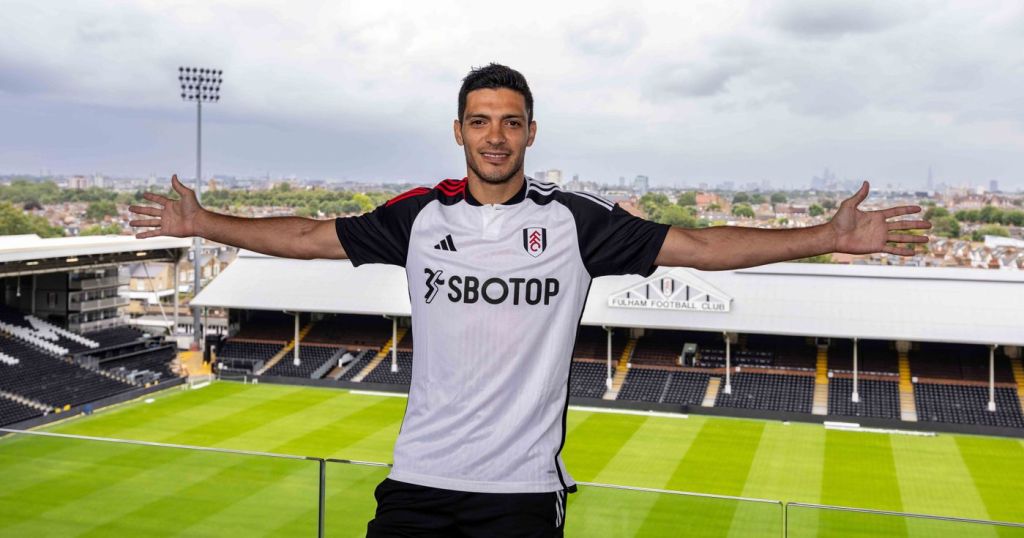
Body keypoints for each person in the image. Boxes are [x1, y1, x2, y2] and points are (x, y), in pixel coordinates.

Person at [130, 63, 931, 537]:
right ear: (458, 130)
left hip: (517, 496)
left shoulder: (574, 222)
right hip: (417, 484)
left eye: (510, 122)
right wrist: (204, 222)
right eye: (481, 121)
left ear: (531, 132)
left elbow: (702, 247)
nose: (495, 136)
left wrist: (825, 234)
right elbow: (310, 237)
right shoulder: (420, 216)